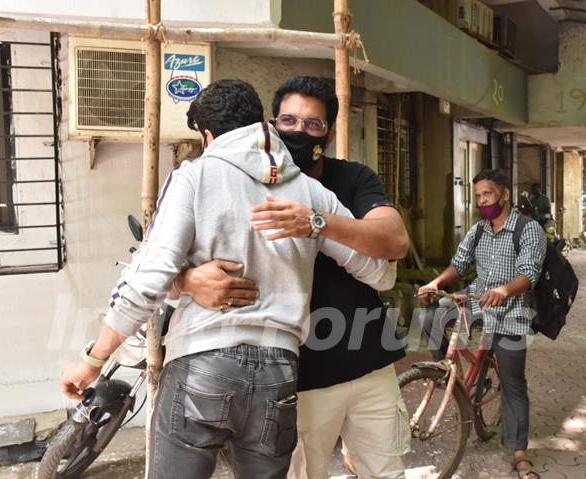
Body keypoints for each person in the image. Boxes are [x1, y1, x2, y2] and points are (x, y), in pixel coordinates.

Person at [59, 79, 397, 479]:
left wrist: (93, 360)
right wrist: (317, 227)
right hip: (281, 374)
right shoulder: (309, 192)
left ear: (207, 134)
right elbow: (381, 272)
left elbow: (147, 276)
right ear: (263, 123)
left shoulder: (194, 176)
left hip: (203, 362)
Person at [174, 76, 411, 479]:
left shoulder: (352, 179)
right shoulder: (231, 180)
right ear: (270, 125)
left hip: (370, 363)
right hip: (295, 379)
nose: (299, 132)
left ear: (329, 134)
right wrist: (188, 281)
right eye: (288, 121)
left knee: (387, 473)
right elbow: (165, 257)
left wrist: (316, 222)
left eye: (313, 124)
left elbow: (394, 241)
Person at [418, 168, 545, 479]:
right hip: (476, 299)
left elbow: (529, 273)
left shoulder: (529, 230)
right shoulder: (478, 230)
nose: (482, 201)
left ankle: (518, 452)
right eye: (477, 196)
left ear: (504, 195)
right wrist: (436, 283)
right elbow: (458, 265)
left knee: (513, 383)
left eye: (487, 195)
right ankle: (444, 372)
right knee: (431, 315)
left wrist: (504, 290)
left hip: (512, 311)